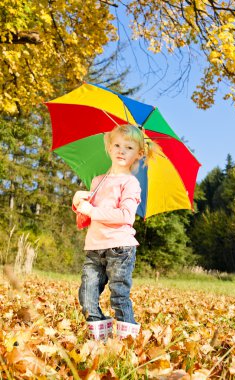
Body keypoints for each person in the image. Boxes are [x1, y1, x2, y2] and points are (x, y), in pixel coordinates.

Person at [72, 124, 158, 341]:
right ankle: (100, 337)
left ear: (138, 154)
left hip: (120, 247)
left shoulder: (131, 183)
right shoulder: (97, 181)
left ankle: (127, 340)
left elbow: (125, 217)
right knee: (87, 295)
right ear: (109, 148)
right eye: (117, 145)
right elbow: (86, 218)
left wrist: (92, 209)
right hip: (94, 246)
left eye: (128, 147)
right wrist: (78, 204)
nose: (121, 150)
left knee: (119, 295)